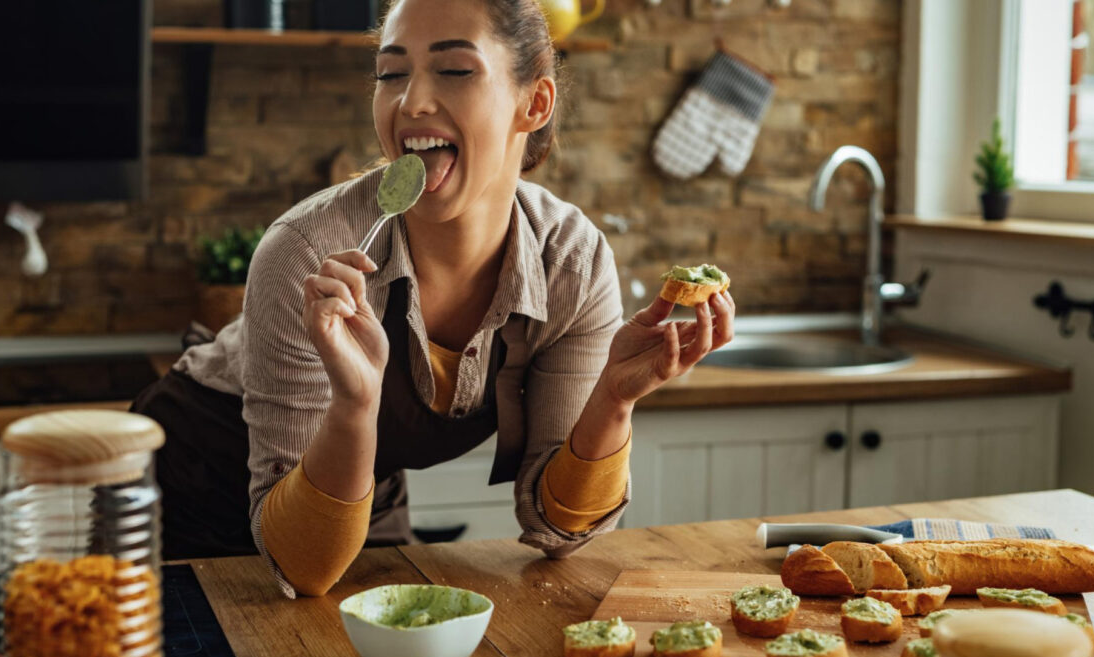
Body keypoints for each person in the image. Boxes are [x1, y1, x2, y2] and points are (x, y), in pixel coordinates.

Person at [132, 0, 735, 598]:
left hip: (362, 477)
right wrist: (353, 401)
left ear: (535, 102)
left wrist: (613, 399)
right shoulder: (307, 253)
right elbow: (301, 567)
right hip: (196, 481)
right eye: (391, 74)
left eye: (453, 70)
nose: (411, 102)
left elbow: (559, 529)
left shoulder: (569, 262)